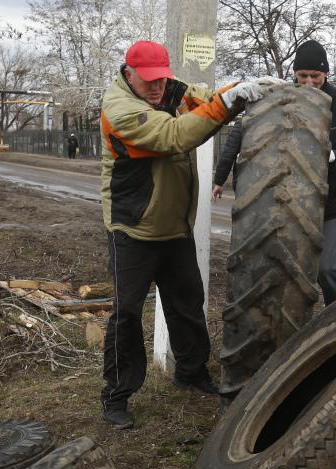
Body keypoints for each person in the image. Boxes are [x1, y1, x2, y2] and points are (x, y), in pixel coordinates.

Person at [99, 39, 270, 429]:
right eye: (149, 81)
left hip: (173, 225)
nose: (158, 87)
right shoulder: (120, 109)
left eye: (162, 78)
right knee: (126, 314)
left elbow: (206, 99)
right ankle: (116, 396)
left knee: (187, 302)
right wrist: (225, 105)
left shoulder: (168, 88)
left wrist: (241, 89)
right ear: (129, 74)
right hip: (133, 228)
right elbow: (174, 136)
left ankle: (191, 372)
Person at [211, 40, 336, 304]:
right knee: (280, 263)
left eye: (314, 76)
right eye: (301, 75)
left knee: (326, 268)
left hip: (329, 202)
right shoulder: (280, 99)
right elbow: (241, 133)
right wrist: (220, 176)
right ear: (294, 73)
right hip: (285, 200)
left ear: (325, 73)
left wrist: (329, 155)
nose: (308, 82)